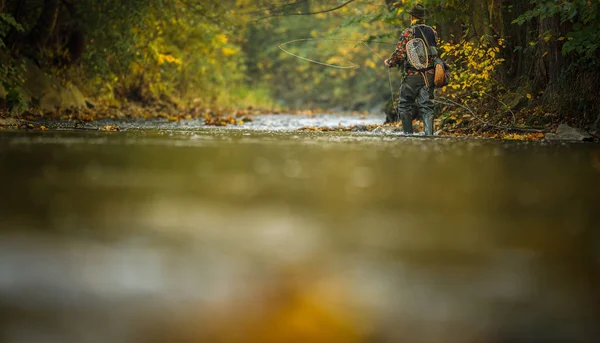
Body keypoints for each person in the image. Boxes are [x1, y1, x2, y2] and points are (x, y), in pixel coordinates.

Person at [384, 4, 438, 136]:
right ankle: (429, 135)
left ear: (412, 16)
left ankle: (408, 135)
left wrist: (389, 62)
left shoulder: (408, 32)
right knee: (427, 106)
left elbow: (400, 54)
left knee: (404, 105)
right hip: (430, 75)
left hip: (412, 75)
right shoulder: (432, 31)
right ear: (424, 18)